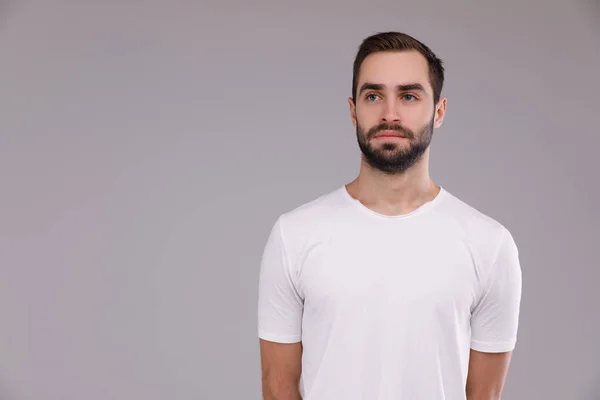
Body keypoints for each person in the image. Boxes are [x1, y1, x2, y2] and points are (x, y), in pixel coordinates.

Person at [257, 31, 523, 400]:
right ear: (353, 110)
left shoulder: (489, 245)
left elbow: (484, 395)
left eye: (409, 96)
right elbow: (277, 387)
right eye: (373, 95)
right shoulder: (294, 236)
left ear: (439, 111)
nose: (390, 113)